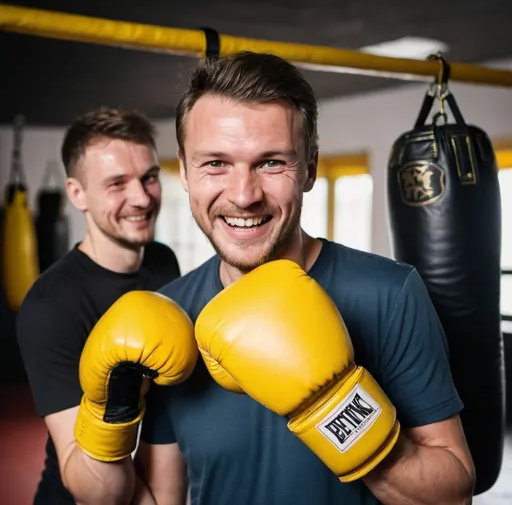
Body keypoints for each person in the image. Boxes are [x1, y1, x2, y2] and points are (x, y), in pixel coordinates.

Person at [133, 52, 476, 504]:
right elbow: (162, 498)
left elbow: (454, 495)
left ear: (310, 167)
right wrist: (109, 414)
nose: (243, 195)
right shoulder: (169, 316)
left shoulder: (388, 295)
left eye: (271, 163)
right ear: (185, 170)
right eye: (215, 163)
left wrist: (336, 409)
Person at [16, 107, 182, 504]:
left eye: (149, 177)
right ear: (77, 194)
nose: (141, 197)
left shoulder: (163, 260)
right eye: (117, 183)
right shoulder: (50, 305)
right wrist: (119, 395)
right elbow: (94, 490)